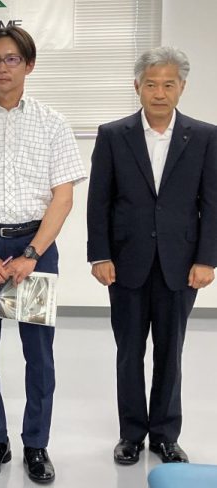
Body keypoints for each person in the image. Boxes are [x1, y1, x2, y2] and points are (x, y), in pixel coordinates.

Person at [0, 26, 86, 483]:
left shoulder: (52, 123)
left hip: (34, 248)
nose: (2, 68)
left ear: (29, 65)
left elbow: (63, 197)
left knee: (38, 353)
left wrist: (31, 252)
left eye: (12, 59)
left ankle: (36, 444)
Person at [87, 46, 217, 466]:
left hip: (181, 263)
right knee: (129, 352)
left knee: (170, 352)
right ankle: (131, 435)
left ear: (182, 88)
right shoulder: (113, 134)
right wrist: (99, 255)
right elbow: (99, 201)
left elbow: (212, 203)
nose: (159, 93)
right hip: (126, 261)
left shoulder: (205, 136)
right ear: (137, 86)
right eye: (151, 84)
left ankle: (164, 435)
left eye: (168, 84)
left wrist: (207, 259)